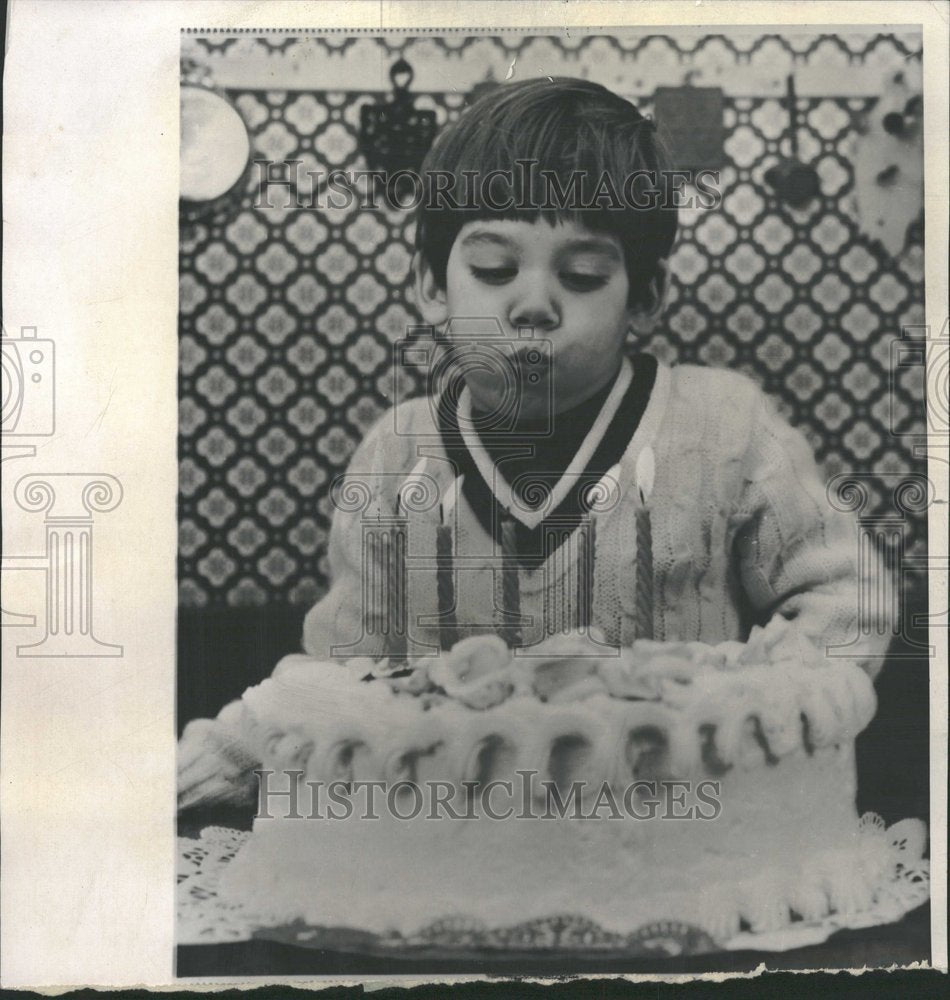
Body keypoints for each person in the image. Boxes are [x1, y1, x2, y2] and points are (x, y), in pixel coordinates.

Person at [178, 78, 890, 810]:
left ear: (645, 295)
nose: (533, 305)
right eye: (493, 270)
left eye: (581, 276)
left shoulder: (726, 428)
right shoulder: (397, 454)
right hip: (447, 842)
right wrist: (228, 757)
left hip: (683, 825)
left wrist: (762, 713)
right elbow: (338, 673)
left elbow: (849, 596)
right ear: (430, 284)